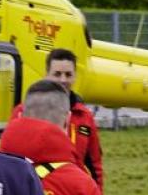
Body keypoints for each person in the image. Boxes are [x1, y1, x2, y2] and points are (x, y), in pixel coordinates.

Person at [13, 48, 103, 187]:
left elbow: (94, 165)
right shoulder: (24, 111)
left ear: (75, 77)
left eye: (68, 74)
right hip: (35, 191)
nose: (63, 80)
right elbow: (10, 158)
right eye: (57, 74)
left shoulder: (84, 117)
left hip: (74, 192)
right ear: (46, 75)